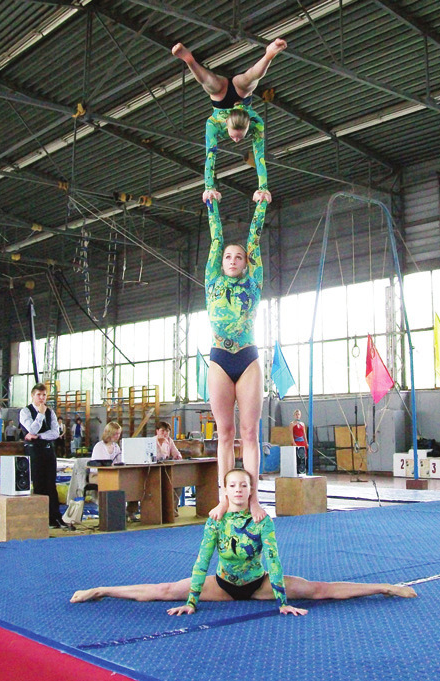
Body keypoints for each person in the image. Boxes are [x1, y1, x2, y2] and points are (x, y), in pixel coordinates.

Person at [70, 468, 417, 612]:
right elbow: (202, 561)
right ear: (225, 490)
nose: (238, 490)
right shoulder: (216, 520)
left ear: (251, 490)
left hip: (259, 584)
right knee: (165, 590)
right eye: (232, 485)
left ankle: (384, 587)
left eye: (244, 485)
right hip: (222, 585)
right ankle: (102, 590)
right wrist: (191, 600)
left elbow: (274, 561)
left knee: (316, 589)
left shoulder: (262, 521)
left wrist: (282, 600)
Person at [204, 198, 267, 522]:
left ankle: (254, 500)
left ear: (245, 263)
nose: (232, 260)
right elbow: (216, 238)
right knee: (225, 433)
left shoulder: (253, 283)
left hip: (247, 357)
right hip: (219, 359)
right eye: (228, 257)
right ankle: (224, 499)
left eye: (238, 257)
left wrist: (261, 201)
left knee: (250, 433)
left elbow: (254, 239)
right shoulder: (212, 281)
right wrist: (211, 199)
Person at [172, 39, 287, 205]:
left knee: (220, 83)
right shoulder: (215, 123)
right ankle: (268, 55)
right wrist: (209, 188)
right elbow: (210, 155)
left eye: (239, 136)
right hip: (238, 95)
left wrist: (263, 189)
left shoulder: (255, 122)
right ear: (226, 123)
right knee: (249, 79)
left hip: (222, 98)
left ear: (248, 125)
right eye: (234, 136)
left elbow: (260, 156)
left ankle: (190, 61)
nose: (236, 140)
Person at [19, 382, 64, 528]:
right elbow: (31, 429)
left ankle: (55, 516)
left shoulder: (51, 412)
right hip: (34, 451)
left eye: (44, 395)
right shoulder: (25, 412)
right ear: (33, 396)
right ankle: (41, 517)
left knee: (51, 484)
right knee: (39, 484)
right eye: (39, 395)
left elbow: (55, 433)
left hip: (48, 450)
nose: (41, 398)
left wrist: (39, 436)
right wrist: (40, 414)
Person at [155, 421, 183, 515]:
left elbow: (176, 453)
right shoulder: (152, 441)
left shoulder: (170, 441)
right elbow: (157, 457)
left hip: (167, 470)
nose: (165, 433)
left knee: (178, 484)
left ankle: (173, 509)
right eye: (162, 431)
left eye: (167, 431)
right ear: (157, 431)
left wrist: (177, 456)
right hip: (154, 471)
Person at [289, 409, 308, 474]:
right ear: (294, 415)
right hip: (296, 442)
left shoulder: (302, 424)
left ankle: (302, 470)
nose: (297, 416)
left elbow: (304, 434)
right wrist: (293, 442)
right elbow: (291, 434)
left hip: (302, 442)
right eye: (296, 414)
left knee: (303, 457)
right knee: (296, 456)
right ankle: (295, 470)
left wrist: (306, 443)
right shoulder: (292, 424)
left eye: (298, 414)